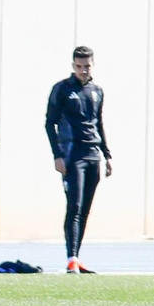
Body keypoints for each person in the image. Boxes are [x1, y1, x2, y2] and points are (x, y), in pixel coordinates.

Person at [45, 46, 111, 273]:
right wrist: (57, 155)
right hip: (72, 156)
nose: (83, 70)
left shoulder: (97, 91)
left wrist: (107, 154)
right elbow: (49, 123)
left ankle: (77, 256)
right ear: (73, 66)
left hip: (93, 155)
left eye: (87, 66)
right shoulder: (62, 89)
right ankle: (71, 257)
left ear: (93, 65)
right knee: (74, 205)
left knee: (85, 209)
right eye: (79, 66)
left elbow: (99, 123)